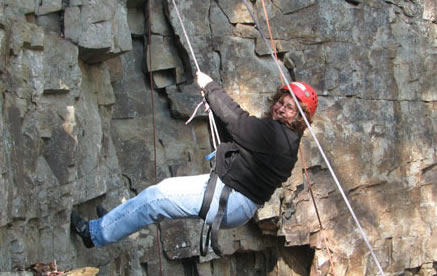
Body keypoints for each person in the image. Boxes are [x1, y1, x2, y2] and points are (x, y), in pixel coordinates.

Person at [70, 72, 318, 249]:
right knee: (158, 193)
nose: (281, 108)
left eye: (290, 108)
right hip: (232, 198)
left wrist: (210, 87)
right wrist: (213, 103)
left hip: (232, 200)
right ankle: (110, 222)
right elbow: (238, 135)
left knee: (155, 199)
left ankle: (94, 234)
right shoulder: (281, 137)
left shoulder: (278, 136)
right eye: (281, 102)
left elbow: (239, 122)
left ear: (299, 117)